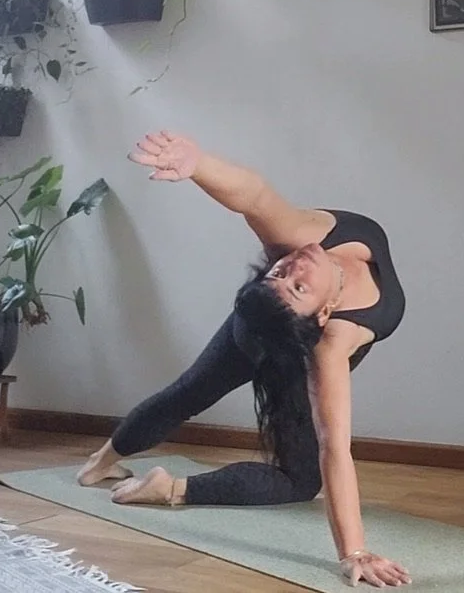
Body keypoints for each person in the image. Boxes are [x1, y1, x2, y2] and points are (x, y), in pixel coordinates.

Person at [76, 131, 410, 588]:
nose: (294, 266)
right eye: (289, 281)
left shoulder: (310, 271)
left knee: (193, 393)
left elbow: (254, 196)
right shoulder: (318, 316)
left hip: (275, 333)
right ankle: (138, 476)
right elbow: (336, 447)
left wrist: (197, 164)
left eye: (288, 277)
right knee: (292, 476)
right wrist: (354, 551)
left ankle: (123, 471)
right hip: (258, 326)